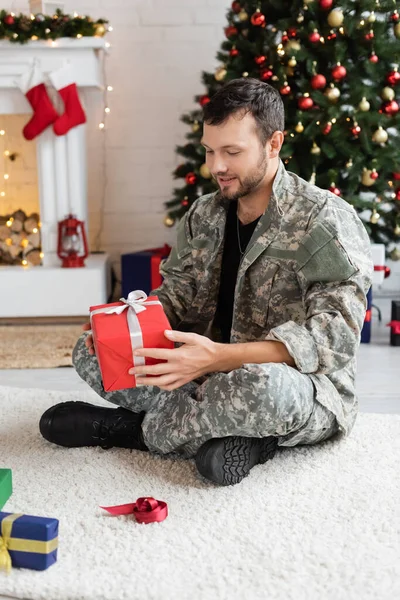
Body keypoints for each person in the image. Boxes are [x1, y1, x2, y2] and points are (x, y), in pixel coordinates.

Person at [39, 78, 373, 486]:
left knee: (266, 390)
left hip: (291, 384)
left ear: (273, 144)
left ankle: (131, 431)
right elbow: (175, 294)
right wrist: (123, 329)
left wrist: (219, 357)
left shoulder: (325, 219)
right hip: (200, 373)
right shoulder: (203, 214)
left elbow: (334, 339)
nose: (216, 166)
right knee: (90, 352)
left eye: (232, 152)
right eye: (210, 151)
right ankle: (231, 435)